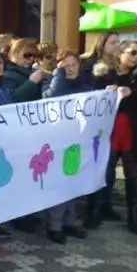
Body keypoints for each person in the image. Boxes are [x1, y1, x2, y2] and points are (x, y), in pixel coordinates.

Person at [93, 40, 137, 235]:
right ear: (121, 53)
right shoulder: (104, 73)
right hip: (109, 130)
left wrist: (132, 93)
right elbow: (93, 99)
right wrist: (106, 93)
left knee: (132, 172)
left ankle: (134, 217)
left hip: (133, 130)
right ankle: (97, 211)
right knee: (105, 170)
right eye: (133, 53)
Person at [41, 50, 91, 243]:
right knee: (59, 184)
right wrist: (58, 75)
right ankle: (54, 226)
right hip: (56, 142)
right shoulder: (51, 84)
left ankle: (69, 222)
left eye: (73, 64)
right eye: (65, 65)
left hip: (78, 142)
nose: (70, 69)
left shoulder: (86, 86)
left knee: (73, 183)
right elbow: (50, 98)